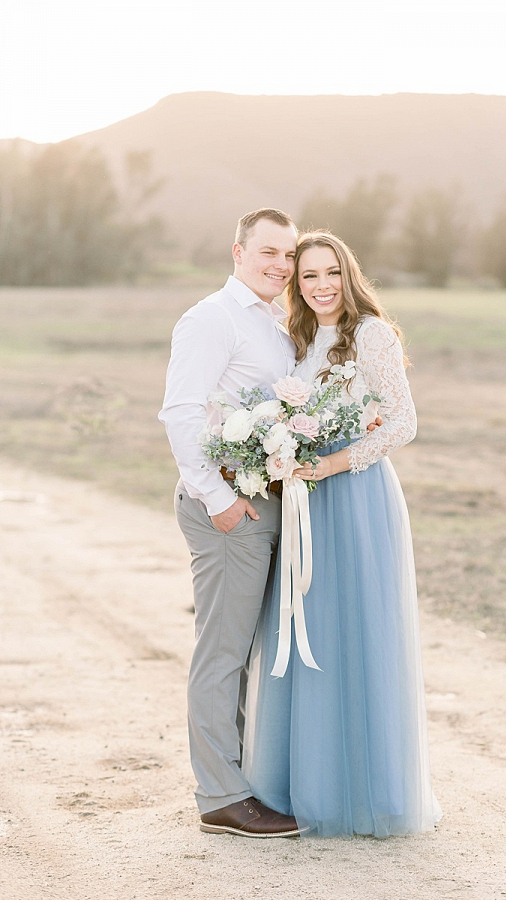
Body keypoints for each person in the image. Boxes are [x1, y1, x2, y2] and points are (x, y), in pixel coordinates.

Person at [242, 231, 442, 838]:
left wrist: (332, 463)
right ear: (296, 284)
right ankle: (300, 784)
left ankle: (367, 788)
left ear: (348, 273)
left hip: (355, 496)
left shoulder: (372, 334)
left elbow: (403, 421)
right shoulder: (295, 336)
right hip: (304, 500)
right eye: (309, 277)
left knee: (356, 630)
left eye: (332, 272)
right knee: (305, 628)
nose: (322, 285)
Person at [159, 208, 305, 837]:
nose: (280, 265)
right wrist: (218, 498)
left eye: (289, 255)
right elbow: (181, 413)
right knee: (224, 652)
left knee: (256, 651)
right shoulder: (210, 319)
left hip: (268, 502)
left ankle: (250, 779)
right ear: (238, 252)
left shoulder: (277, 322)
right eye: (268, 252)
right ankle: (221, 794)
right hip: (227, 510)